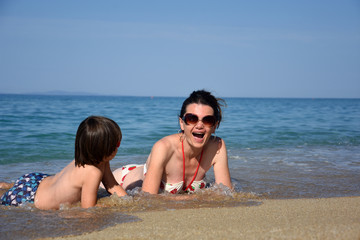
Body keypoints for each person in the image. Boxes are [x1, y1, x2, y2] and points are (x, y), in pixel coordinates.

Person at [112, 90, 232, 194]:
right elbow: (149, 198)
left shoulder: (217, 146)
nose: (199, 125)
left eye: (208, 120)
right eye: (192, 118)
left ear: (215, 125)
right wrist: (198, 199)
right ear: (181, 123)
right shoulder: (164, 147)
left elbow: (227, 193)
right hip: (120, 182)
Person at [0, 116, 127, 209]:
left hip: (34, 181)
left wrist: (128, 200)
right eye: (117, 144)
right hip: (30, 198)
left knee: (11, 188)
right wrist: (111, 207)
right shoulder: (92, 172)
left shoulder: (98, 160)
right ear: (104, 149)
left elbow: (111, 185)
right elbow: (88, 208)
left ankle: (6, 185)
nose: (118, 147)